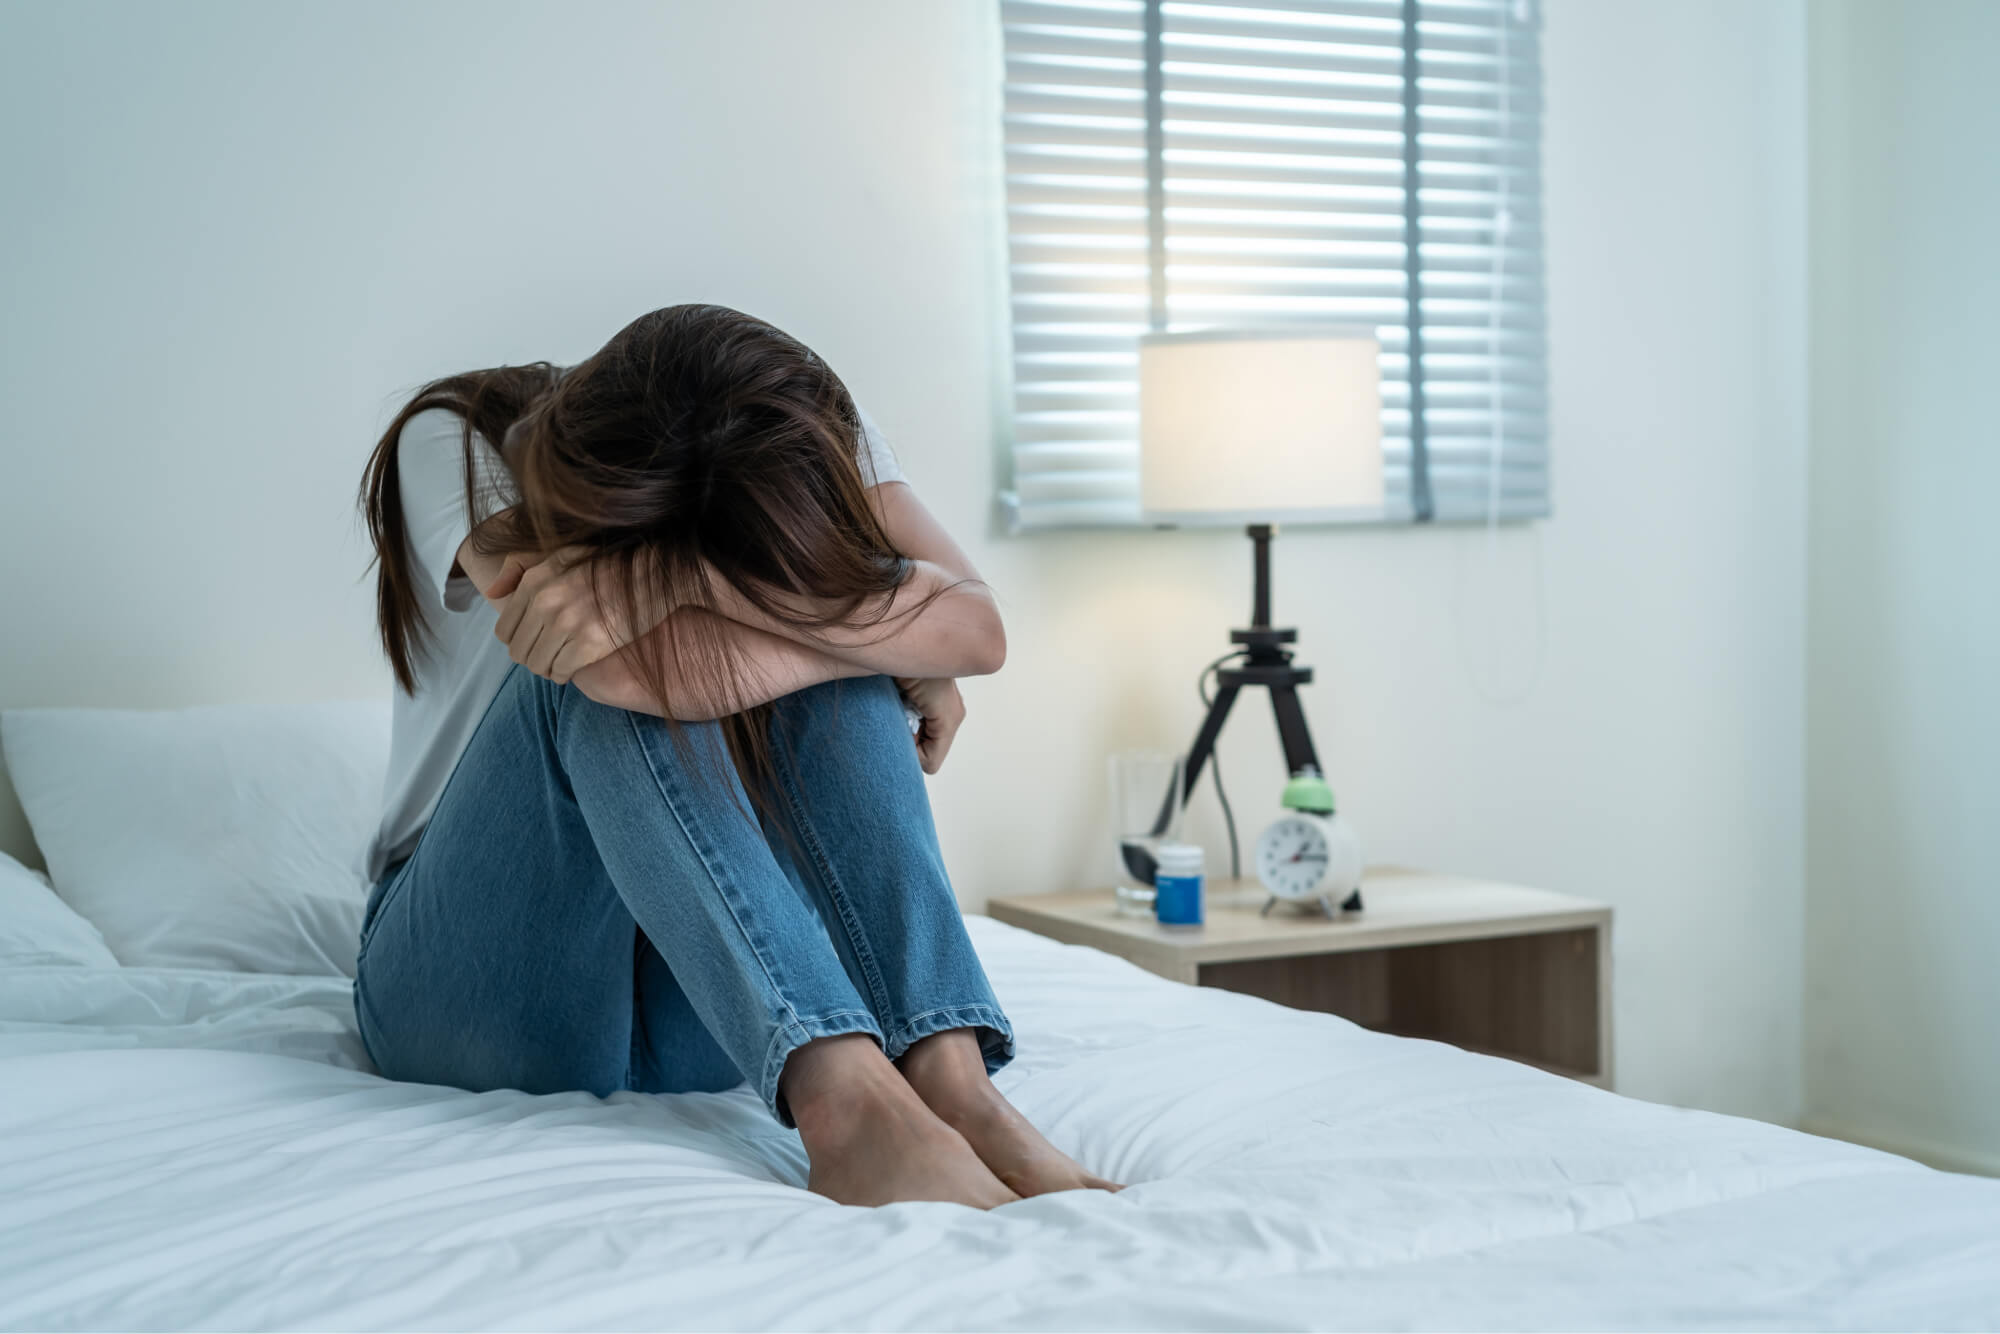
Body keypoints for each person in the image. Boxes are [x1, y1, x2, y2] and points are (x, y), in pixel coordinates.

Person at [353, 304, 1115, 1208]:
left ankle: (950, 1076)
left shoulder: (796, 425)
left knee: (836, 668)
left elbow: (977, 629)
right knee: (594, 676)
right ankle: (846, 1102)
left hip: (715, 996)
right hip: (477, 983)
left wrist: (695, 580)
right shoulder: (462, 440)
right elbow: (615, 661)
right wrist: (879, 628)